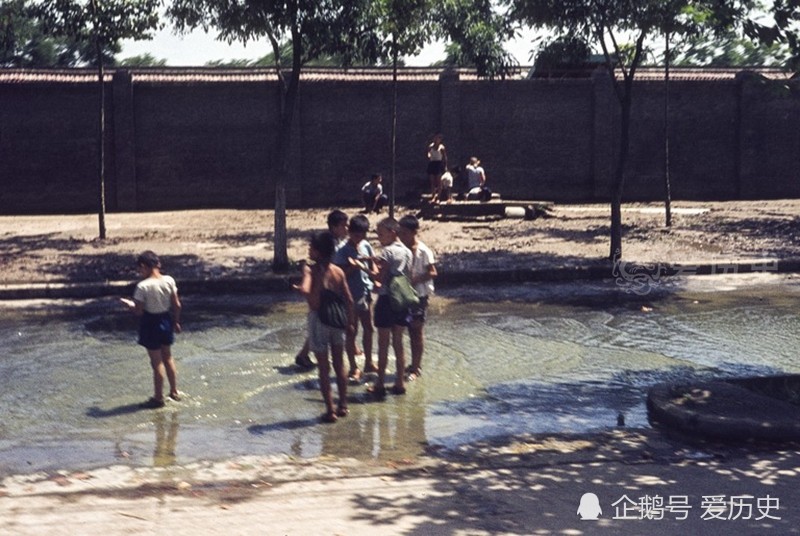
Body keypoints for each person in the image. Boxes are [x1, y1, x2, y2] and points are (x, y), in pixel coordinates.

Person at [294, 231, 354, 423]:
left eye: (311, 248)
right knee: (339, 364)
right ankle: (343, 405)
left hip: (319, 319)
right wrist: (351, 323)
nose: (309, 250)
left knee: (323, 368)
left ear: (318, 252)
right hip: (337, 320)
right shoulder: (338, 271)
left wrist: (303, 275)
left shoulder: (311, 271)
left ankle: (330, 411)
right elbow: (349, 299)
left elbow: (305, 290)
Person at [120, 250, 182, 409]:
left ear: (144, 266)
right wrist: (176, 322)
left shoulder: (142, 286)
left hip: (151, 323)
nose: (140, 272)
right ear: (157, 264)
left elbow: (139, 311)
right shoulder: (169, 280)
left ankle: (158, 397)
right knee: (168, 357)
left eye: (140, 269)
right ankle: (174, 391)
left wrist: (129, 305)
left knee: (156, 362)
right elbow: (176, 304)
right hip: (166, 320)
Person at [295, 210, 349, 370]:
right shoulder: (329, 244)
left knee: (322, 321)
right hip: (330, 289)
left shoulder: (337, 242)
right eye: (344, 226)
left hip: (330, 288)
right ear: (334, 227)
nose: (346, 229)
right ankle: (310, 356)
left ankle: (306, 354)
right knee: (326, 320)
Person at [368, 217, 412, 399]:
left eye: (381, 234)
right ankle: (400, 382)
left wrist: (365, 268)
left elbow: (379, 278)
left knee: (383, 344)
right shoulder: (408, 252)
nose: (379, 238)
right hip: (402, 299)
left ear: (392, 232)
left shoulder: (387, 252)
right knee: (399, 342)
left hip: (386, 300)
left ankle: (379, 384)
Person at [334, 214, 377, 383]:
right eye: (357, 235)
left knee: (369, 328)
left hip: (366, 292)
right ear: (350, 232)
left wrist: (374, 275)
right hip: (350, 296)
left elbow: (371, 264)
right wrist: (352, 268)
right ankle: (353, 367)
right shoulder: (342, 251)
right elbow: (338, 275)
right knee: (351, 331)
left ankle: (368, 363)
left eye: (363, 235)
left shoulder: (366, 245)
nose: (360, 238)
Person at [398, 215, 437, 382]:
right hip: (403, 294)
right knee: (403, 330)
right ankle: (410, 365)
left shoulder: (424, 251)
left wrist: (416, 278)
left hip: (419, 296)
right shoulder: (400, 249)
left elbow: (433, 272)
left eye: (405, 233)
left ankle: (416, 367)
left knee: (416, 331)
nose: (402, 236)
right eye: (400, 232)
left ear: (414, 232)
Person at [426, 134, 447, 201]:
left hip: (439, 163)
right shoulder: (430, 146)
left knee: (439, 181)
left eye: (437, 139)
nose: (436, 140)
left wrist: (445, 166)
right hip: (432, 163)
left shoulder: (442, 148)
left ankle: (438, 197)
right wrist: (429, 155)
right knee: (432, 181)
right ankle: (433, 196)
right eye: (435, 138)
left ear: (440, 140)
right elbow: (428, 153)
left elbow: (444, 157)